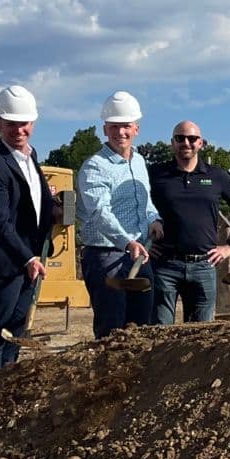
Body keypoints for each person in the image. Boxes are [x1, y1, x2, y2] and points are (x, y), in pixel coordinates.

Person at [0, 85, 56, 380]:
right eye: (11, 124)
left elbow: (30, 208)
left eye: (24, 123)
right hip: (2, 265)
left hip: (26, 263)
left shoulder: (31, 159)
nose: (19, 130)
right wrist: (28, 258)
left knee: (15, 332)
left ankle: (5, 388)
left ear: (33, 123)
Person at [77, 91, 162, 338]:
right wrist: (127, 241)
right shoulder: (94, 167)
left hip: (137, 255)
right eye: (114, 127)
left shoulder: (139, 162)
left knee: (142, 327)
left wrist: (153, 219)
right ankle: (108, 376)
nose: (120, 133)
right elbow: (99, 213)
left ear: (136, 128)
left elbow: (145, 202)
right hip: (106, 257)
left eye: (125, 126)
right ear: (105, 129)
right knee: (112, 329)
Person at [148, 120, 230, 324]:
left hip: (204, 266)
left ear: (201, 143)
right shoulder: (155, 175)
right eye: (180, 138)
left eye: (192, 138)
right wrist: (142, 240)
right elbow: (136, 206)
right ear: (172, 143)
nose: (186, 143)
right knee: (159, 333)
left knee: (200, 337)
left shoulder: (217, 176)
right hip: (165, 265)